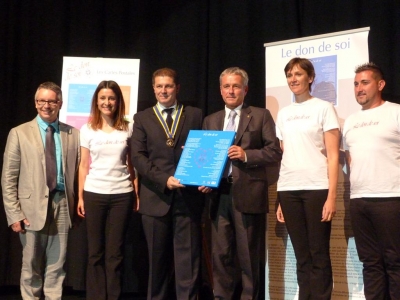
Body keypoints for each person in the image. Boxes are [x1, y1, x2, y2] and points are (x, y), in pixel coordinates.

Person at [202, 67, 282, 299]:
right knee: (221, 255)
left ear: (245, 89)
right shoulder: (211, 120)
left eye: (236, 86)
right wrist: (204, 176)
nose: (231, 90)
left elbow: (273, 151)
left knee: (248, 256)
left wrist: (247, 155)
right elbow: (207, 157)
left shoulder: (260, 115)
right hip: (219, 195)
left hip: (248, 193)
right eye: (226, 86)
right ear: (220, 90)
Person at [130, 68, 209, 300]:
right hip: (156, 198)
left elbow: (205, 148)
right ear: (153, 89)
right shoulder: (142, 118)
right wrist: (164, 179)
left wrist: (201, 169)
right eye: (159, 86)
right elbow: (138, 158)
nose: (163, 90)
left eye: (168, 86)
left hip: (189, 198)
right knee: (157, 263)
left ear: (177, 88)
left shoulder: (194, 114)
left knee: (189, 262)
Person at [1, 82, 80, 299]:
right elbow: (8, 178)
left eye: (51, 101)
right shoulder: (19, 133)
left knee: (57, 265)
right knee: (31, 267)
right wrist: (14, 213)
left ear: (60, 103)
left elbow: (77, 172)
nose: (46, 105)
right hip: (29, 208)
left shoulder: (73, 133)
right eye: (41, 101)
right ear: (36, 103)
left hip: (62, 204)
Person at [275, 57, 340, 299]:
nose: (293, 79)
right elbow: (286, 156)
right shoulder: (283, 114)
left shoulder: (324, 108)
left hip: (317, 189)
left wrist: (331, 196)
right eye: (290, 75)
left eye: (298, 74)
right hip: (289, 190)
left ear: (310, 78)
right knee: (301, 256)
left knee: (319, 254)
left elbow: (333, 156)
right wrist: (280, 199)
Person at [343, 62, 400, 299]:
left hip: (390, 197)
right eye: (356, 84)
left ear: (380, 84)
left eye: (364, 82)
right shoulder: (350, 121)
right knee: (370, 262)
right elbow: (349, 159)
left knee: (395, 261)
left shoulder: (395, 111)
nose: (359, 88)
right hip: (359, 199)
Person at [77, 80, 138, 300]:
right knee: (95, 252)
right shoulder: (87, 129)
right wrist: (81, 197)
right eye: (102, 98)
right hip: (94, 194)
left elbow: (132, 165)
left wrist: (136, 192)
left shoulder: (128, 127)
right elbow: (83, 165)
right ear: (96, 101)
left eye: (111, 98)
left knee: (115, 253)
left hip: (122, 194)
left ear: (118, 101)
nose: (107, 102)